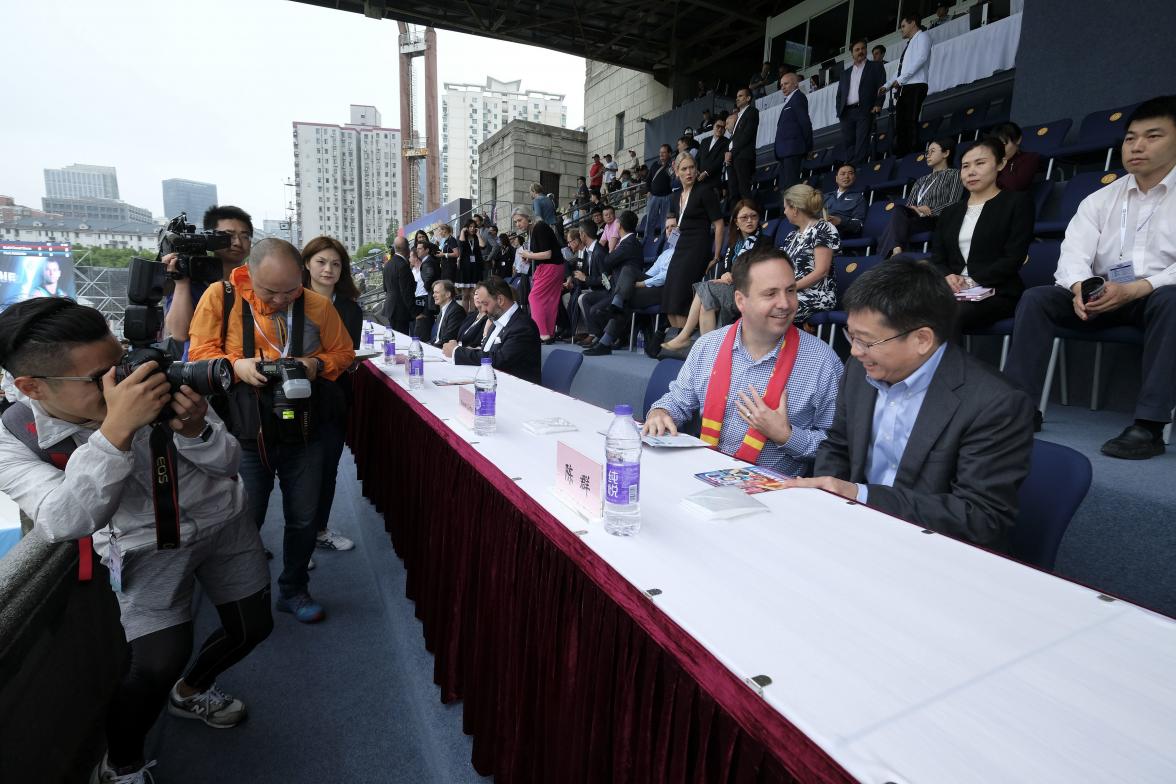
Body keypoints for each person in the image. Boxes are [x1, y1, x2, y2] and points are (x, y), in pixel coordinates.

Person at [0, 298, 272, 783]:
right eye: (99, 377)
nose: (124, 381)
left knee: (253, 628)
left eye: (120, 361)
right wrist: (116, 429)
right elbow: (65, 521)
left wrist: (194, 430)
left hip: (222, 519)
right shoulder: (16, 437)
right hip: (144, 545)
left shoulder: (149, 380)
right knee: (154, 666)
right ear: (30, 386)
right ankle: (120, 762)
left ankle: (191, 692)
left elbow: (228, 462)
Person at [781, 258, 1035, 550]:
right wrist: (833, 504)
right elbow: (838, 445)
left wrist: (860, 496)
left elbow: (980, 517)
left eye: (867, 341)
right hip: (852, 531)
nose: (854, 350)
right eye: (851, 335)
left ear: (922, 340)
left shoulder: (994, 403)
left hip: (931, 550)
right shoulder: (858, 369)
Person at [189, 238, 355, 624]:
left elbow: (344, 354)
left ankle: (294, 589)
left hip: (304, 427)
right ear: (249, 274)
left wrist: (314, 365)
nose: (281, 300)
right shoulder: (222, 297)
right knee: (246, 517)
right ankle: (244, 593)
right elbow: (198, 355)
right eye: (269, 292)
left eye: (290, 290)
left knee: (303, 516)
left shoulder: (316, 304)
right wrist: (236, 366)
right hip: (245, 432)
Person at [1004, 95, 1176, 460]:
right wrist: (1081, 288)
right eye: (1130, 138)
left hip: (1155, 297)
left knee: (1172, 299)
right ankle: (1019, 411)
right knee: (1037, 299)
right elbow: (1073, 255)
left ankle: (1149, 425)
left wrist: (1138, 288)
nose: (1137, 146)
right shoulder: (1101, 199)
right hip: (1102, 295)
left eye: (1153, 136)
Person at [643, 245, 843, 477]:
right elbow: (678, 400)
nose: (786, 304)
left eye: (790, 291)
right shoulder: (708, 346)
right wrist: (660, 411)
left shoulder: (822, 362)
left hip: (775, 498)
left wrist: (787, 436)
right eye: (770, 294)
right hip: (703, 478)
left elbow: (836, 448)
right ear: (741, 301)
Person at [928, 137, 1035, 333]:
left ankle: (945, 364)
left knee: (947, 314)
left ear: (1001, 164)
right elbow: (938, 257)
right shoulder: (950, 212)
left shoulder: (1017, 203)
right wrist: (948, 276)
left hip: (997, 292)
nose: (971, 172)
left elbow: (1013, 258)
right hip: (953, 291)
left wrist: (971, 280)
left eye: (980, 163)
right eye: (965, 166)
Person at [301, 236, 361, 554]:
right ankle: (299, 543)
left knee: (328, 468)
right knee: (297, 473)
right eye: (322, 262)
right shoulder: (289, 301)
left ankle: (320, 529)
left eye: (336, 264)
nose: (329, 269)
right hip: (294, 399)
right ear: (307, 264)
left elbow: (346, 354)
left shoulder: (350, 308)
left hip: (334, 398)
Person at [660, 200, 770, 356]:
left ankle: (685, 336)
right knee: (706, 305)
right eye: (744, 217)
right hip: (730, 290)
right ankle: (711, 355)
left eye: (753, 216)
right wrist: (725, 275)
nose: (750, 220)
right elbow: (725, 269)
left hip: (748, 292)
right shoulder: (734, 243)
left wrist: (734, 276)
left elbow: (762, 272)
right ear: (736, 222)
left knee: (705, 288)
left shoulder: (765, 242)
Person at [164, 205, 253, 343]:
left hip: (246, 362)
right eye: (228, 236)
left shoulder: (257, 280)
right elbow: (180, 333)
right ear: (209, 237)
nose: (237, 243)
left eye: (245, 236)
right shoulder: (191, 280)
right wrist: (182, 283)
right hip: (204, 362)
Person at [663, 153, 725, 332]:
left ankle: (686, 343)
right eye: (684, 169)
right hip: (680, 246)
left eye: (692, 167)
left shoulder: (705, 191)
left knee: (682, 295)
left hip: (698, 246)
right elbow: (676, 224)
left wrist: (715, 255)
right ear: (677, 172)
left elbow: (719, 225)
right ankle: (677, 340)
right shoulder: (675, 197)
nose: (689, 172)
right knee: (670, 296)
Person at [443, 276, 541, 384]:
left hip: (518, 391)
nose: (483, 309)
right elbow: (488, 353)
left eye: (485, 303)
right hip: (492, 383)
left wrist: (457, 351)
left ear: (500, 300)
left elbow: (498, 360)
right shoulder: (497, 320)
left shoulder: (523, 326)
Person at [877, 137, 964, 258]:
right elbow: (909, 206)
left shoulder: (955, 174)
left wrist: (930, 210)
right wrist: (918, 209)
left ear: (946, 153)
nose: (928, 155)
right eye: (927, 152)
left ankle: (887, 259)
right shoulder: (921, 180)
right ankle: (896, 251)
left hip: (937, 220)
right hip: (917, 219)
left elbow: (953, 203)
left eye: (932, 151)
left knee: (892, 228)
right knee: (898, 211)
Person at [581, 211, 644, 356]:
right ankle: (601, 337)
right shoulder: (626, 242)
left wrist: (611, 250)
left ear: (619, 225)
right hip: (615, 288)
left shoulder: (629, 243)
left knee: (597, 310)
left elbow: (608, 261)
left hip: (623, 291)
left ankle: (610, 338)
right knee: (586, 299)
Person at [779, 184, 840, 324]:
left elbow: (821, 272)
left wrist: (790, 289)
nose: (784, 212)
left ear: (794, 209)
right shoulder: (791, 236)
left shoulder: (823, 228)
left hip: (818, 295)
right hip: (792, 293)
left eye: (786, 208)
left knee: (775, 308)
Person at [511, 205, 563, 343]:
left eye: (519, 220)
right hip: (553, 267)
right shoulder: (535, 229)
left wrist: (529, 254)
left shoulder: (539, 227)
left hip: (551, 267)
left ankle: (542, 333)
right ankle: (548, 333)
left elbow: (547, 254)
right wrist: (529, 257)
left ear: (528, 218)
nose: (518, 224)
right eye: (515, 222)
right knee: (550, 301)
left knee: (534, 298)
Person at [882, 14, 932, 158]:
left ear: (913, 23)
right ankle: (902, 154)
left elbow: (921, 58)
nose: (901, 30)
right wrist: (887, 85)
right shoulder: (909, 44)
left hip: (916, 85)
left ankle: (912, 154)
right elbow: (900, 69)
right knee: (901, 122)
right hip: (906, 86)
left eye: (903, 26)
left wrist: (902, 79)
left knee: (910, 120)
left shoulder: (923, 37)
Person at [837, 39, 887, 165]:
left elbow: (881, 86)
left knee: (861, 143)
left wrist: (878, 104)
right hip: (846, 113)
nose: (861, 51)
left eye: (863, 48)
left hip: (864, 110)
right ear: (852, 54)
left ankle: (858, 170)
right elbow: (839, 95)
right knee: (849, 144)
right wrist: (839, 111)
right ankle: (849, 169)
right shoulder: (845, 73)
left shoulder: (876, 66)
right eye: (857, 50)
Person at [773, 72, 814, 193]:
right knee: (784, 188)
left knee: (791, 187)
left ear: (796, 84)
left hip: (792, 150)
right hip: (784, 152)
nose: (783, 87)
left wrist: (809, 147)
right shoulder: (789, 100)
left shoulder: (798, 97)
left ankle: (792, 211)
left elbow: (805, 123)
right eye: (781, 85)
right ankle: (785, 211)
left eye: (786, 83)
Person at [725, 88, 760, 201]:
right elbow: (735, 137)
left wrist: (732, 152)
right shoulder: (739, 115)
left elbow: (746, 136)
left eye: (740, 96)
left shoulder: (752, 112)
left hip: (743, 157)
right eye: (737, 96)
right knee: (734, 191)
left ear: (748, 98)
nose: (737, 98)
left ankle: (749, 215)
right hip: (733, 157)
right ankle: (737, 217)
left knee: (744, 190)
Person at [992, 122, 1042, 193]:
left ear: (1018, 139)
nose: (1000, 149)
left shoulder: (1030, 158)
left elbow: (1016, 186)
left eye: (1004, 144)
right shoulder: (992, 161)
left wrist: (1002, 163)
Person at [824, 163, 868, 238]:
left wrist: (841, 221)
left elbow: (859, 224)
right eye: (842, 174)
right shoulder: (825, 196)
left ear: (854, 178)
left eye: (850, 173)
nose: (846, 176)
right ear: (836, 178)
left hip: (838, 234)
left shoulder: (859, 198)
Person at [382, 236, 415, 334]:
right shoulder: (403, 265)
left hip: (391, 309)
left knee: (394, 338)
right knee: (401, 340)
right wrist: (415, 312)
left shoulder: (388, 264)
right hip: (401, 310)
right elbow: (406, 292)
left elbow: (385, 287)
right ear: (407, 249)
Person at [412, 240, 440, 341]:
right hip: (428, 298)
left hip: (427, 298)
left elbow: (429, 277)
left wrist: (427, 287)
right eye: (417, 248)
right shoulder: (428, 261)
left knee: (424, 327)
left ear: (427, 250)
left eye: (420, 249)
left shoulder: (428, 262)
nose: (417, 251)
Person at [645, 144, 675, 237]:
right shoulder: (655, 164)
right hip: (653, 196)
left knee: (665, 222)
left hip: (667, 197)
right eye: (660, 152)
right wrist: (648, 191)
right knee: (650, 220)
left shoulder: (671, 166)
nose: (661, 154)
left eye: (664, 152)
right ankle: (647, 240)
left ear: (669, 154)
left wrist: (673, 168)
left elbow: (674, 180)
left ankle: (663, 241)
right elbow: (648, 179)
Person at [457, 218, 486, 310]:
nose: (472, 229)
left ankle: (473, 316)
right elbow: (461, 245)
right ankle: (465, 316)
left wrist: (478, 234)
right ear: (466, 227)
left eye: (474, 227)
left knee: (473, 294)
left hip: (476, 268)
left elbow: (483, 245)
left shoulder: (477, 238)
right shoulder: (462, 237)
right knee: (465, 295)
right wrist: (462, 231)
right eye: (470, 227)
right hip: (465, 269)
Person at [429, 278, 467, 346]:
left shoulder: (456, 311)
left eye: (437, 292)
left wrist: (430, 347)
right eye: (434, 292)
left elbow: (449, 338)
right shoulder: (444, 310)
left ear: (448, 294)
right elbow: (436, 337)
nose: (433, 295)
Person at [697, 117, 729, 190]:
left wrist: (706, 173)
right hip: (700, 179)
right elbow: (698, 157)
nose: (720, 129)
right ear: (713, 126)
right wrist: (697, 170)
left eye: (723, 127)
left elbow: (720, 160)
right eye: (718, 126)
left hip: (714, 181)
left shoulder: (727, 142)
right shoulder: (704, 141)